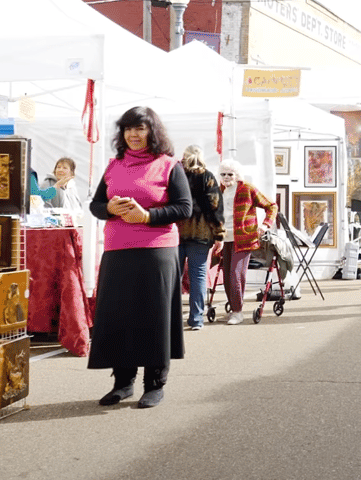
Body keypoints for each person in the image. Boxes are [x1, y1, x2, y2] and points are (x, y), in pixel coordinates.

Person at [89, 106, 192, 409]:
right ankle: (123, 383)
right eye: (128, 129)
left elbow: (184, 208)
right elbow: (96, 204)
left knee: (154, 317)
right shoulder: (113, 166)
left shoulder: (169, 165)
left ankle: (155, 384)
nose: (133, 135)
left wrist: (147, 215)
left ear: (152, 132)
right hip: (117, 249)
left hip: (156, 249)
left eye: (140, 128)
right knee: (119, 316)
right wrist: (109, 209)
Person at [218, 159, 277, 325]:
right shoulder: (220, 190)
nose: (227, 177)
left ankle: (238, 312)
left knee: (236, 274)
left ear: (237, 175)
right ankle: (234, 307)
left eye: (230, 174)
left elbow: (271, 206)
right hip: (225, 238)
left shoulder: (247, 189)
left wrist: (266, 225)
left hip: (244, 238)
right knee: (227, 276)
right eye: (223, 174)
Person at [176, 145, 223, 330]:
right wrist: (218, 234)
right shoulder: (208, 177)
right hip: (201, 234)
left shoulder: (175, 175)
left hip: (176, 234)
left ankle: (172, 319)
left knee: (173, 278)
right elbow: (215, 208)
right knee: (198, 277)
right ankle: (196, 319)